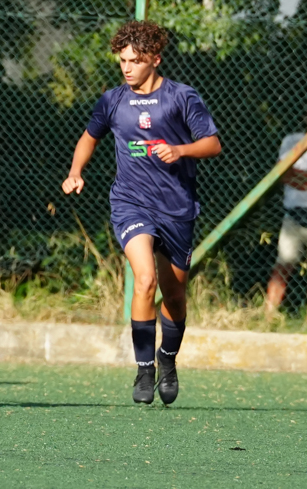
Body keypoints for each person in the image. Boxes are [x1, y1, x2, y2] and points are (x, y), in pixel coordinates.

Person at [62, 20, 221, 406]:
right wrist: (75, 171)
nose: (127, 68)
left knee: (175, 296)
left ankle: (167, 360)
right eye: (122, 61)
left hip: (177, 208)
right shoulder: (112, 101)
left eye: (135, 61)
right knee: (145, 280)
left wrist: (181, 150)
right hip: (131, 203)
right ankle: (144, 369)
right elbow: (89, 138)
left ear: (155, 59)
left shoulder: (181, 97)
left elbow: (212, 144)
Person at [265, 104, 307, 323]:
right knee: (283, 266)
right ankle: (268, 317)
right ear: (305, 117)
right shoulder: (292, 141)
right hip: (293, 214)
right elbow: (283, 174)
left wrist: (300, 176)